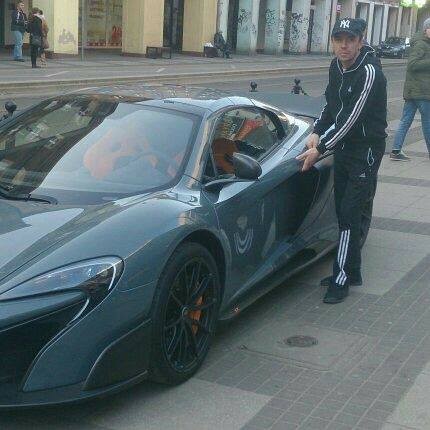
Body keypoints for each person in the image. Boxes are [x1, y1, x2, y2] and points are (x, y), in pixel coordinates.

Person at [297, 18, 387, 304]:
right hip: (345, 149)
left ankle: (341, 278)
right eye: (339, 39)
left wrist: (321, 147)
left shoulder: (369, 72)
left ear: (360, 41)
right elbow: (331, 104)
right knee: (343, 210)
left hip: (366, 150)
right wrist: (316, 130)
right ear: (333, 42)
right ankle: (353, 271)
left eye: (350, 39)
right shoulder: (336, 66)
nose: (344, 46)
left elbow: (351, 118)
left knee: (349, 213)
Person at [390, 18, 430, 161]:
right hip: (421, 91)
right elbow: (412, 64)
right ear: (426, 29)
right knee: (427, 122)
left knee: (406, 120)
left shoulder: (424, 43)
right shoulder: (421, 44)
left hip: (414, 91)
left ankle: (396, 150)